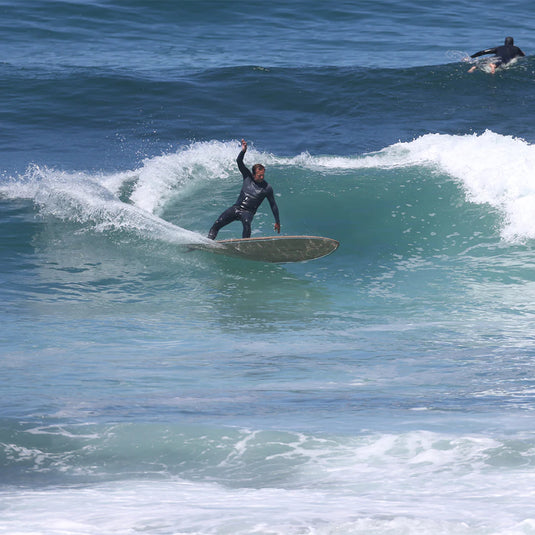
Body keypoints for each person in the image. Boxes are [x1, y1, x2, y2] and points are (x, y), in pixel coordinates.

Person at [207, 139, 281, 240]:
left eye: (263, 175)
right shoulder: (247, 177)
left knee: (247, 224)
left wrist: (277, 221)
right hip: (236, 208)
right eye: (259, 176)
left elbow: (273, 205)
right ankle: (208, 241)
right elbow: (239, 162)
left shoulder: (267, 188)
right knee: (217, 223)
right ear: (254, 174)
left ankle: (245, 244)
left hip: (248, 212)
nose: (262, 178)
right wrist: (243, 151)